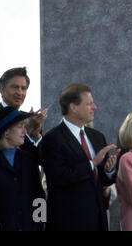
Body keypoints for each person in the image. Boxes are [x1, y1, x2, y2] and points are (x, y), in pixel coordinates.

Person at [39, 84, 119, 231]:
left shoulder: (97, 137)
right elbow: (59, 178)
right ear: (73, 107)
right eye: (89, 103)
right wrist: (92, 163)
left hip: (98, 220)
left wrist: (108, 170)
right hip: (68, 222)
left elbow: (104, 180)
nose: (94, 107)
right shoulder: (52, 139)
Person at [0, 67, 48, 158]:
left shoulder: (30, 119)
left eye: (23, 88)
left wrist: (35, 135)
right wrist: (27, 132)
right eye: (15, 87)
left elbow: (42, 159)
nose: (19, 93)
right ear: (2, 89)